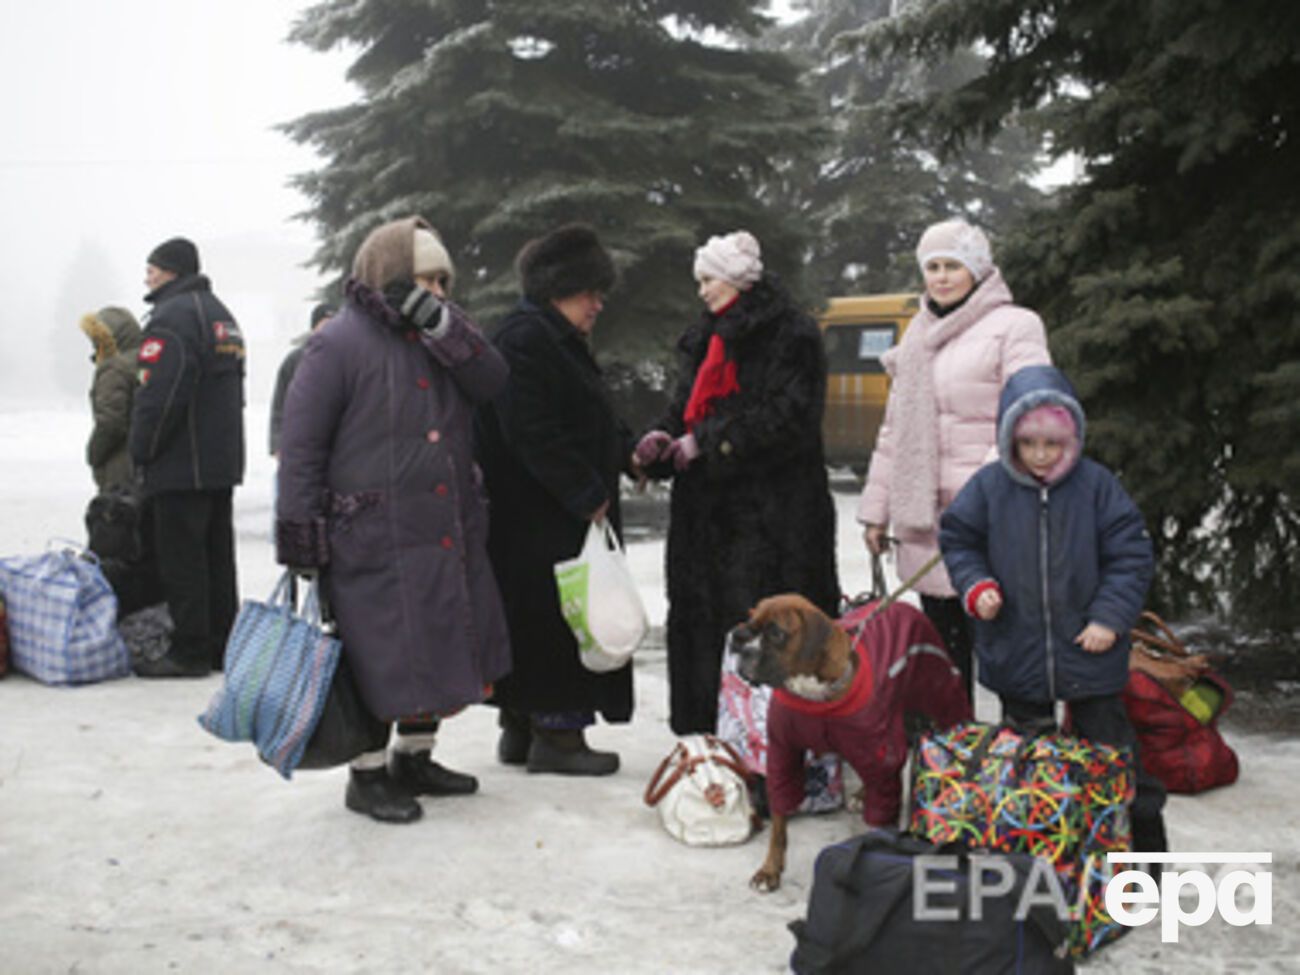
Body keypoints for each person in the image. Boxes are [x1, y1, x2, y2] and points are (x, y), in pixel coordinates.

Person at [276, 217, 512, 824]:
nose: (437, 291)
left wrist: (445, 328)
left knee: (435, 641)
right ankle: (367, 772)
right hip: (370, 534)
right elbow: (301, 446)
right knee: (380, 653)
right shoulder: (339, 343)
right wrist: (301, 532)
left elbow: (493, 380)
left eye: (444, 281)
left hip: (444, 524)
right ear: (390, 275)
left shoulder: (444, 335)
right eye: (425, 279)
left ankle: (415, 755)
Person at [939, 363, 1168, 852]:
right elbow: (959, 540)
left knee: (1113, 756)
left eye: (1052, 444)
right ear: (1009, 440)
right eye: (1028, 444)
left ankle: (1138, 851)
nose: (1041, 456)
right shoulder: (988, 488)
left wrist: (1109, 616)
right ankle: (1041, 851)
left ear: (1073, 439)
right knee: (1028, 761)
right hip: (1016, 649)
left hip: (1090, 651)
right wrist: (976, 585)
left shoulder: (1097, 487)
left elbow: (1130, 555)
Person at [636, 230, 840, 736]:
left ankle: (775, 750)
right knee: (703, 628)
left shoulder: (793, 334)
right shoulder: (704, 337)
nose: (702, 291)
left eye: (708, 279)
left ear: (735, 279)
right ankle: (708, 739)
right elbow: (685, 407)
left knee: (765, 637)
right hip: (705, 518)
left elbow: (790, 417)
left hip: (772, 517)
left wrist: (707, 441)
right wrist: (662, 440)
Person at [858, 218, 1051, 701]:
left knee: (1006, 646)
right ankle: (955, 754)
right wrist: (876, 512)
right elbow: (893, 432)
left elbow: (1031, 412)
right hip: (926, 519)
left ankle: (1020, 751)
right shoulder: (918, 336)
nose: (941, 277)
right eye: (933, 267)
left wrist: (987, 487)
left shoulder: (1015, 326)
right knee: (944, 654)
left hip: (989, 515)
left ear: (979, 270)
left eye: (953, 266)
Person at [474, 223, 636, 775]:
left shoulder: (547, 338)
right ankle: (558, 736)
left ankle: (522, 727)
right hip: (541, 518)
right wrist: (586, 492)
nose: (598, 303)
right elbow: (534, 431)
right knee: (559, 621)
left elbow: (583, 420)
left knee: (541, 619)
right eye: (589, 291)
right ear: (557, 289)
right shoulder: (528, 340)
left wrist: (628, 451)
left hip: (541, 517)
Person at [129, 237, 245, 678]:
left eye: (153, 268)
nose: (147, 276)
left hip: (181, 465)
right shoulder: (222, 316)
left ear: (172, 271)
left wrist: (141, 450)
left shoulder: (170, 318)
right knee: (217, 557)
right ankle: (221, 645)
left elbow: (159, 396)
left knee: (183, 560)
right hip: (219, 463)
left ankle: (190, 649)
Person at [79, 306, 142, 491]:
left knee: (118, 515)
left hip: (120, 466)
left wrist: (94, 455)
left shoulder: (115, 368)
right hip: (148, 464)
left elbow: (111, 422)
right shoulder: (148, 360)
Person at [268, 302, 334, 458]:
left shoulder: (347, 362)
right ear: (313, 328)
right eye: (324, 325)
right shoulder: (294, 361)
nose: (329, 331)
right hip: (299, 446)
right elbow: (279, 406)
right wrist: (277, 444)